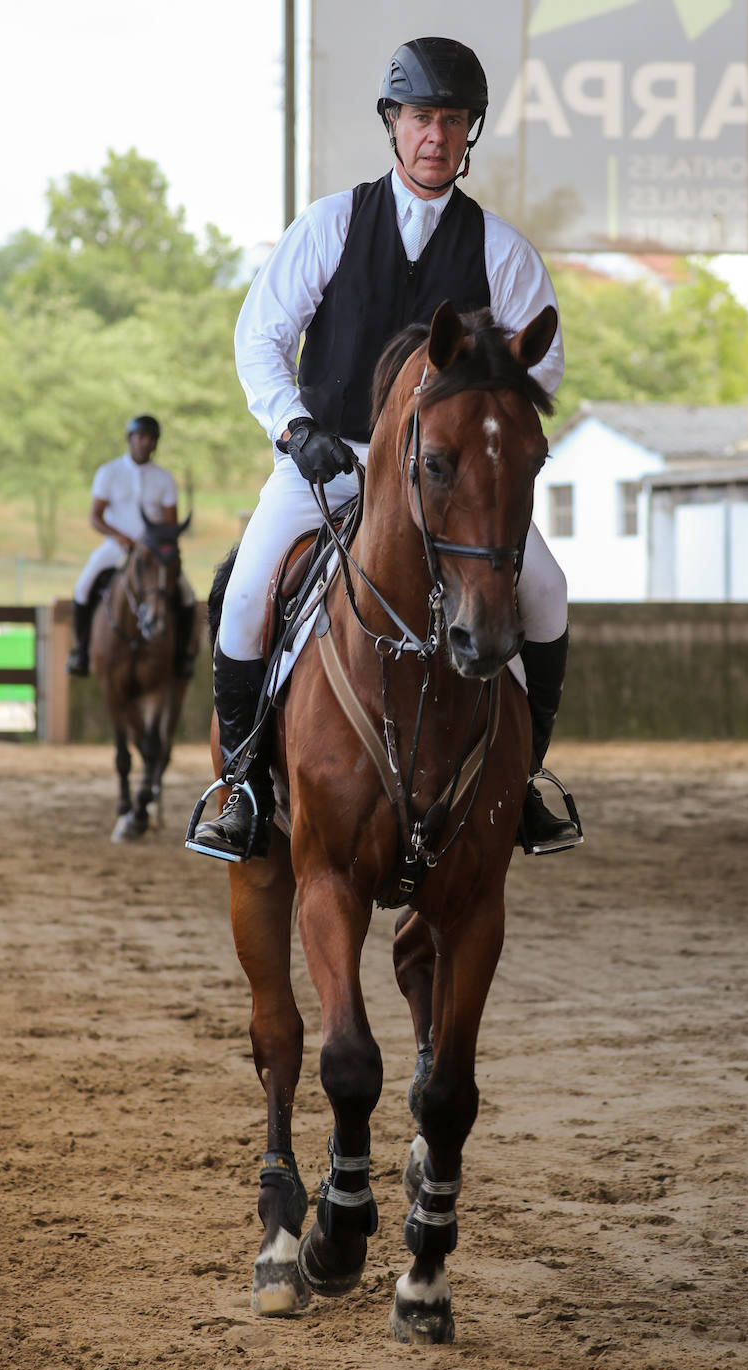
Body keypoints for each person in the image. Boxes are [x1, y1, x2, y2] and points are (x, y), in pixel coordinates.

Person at [189, 35, 580, 861]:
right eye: (420, 118)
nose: (435, 135)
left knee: (544, 589)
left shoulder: (502, 251)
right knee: (250, 590)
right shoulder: (331, 223)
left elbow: (539, 363)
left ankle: (526, 784)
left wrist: (486, 432)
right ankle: (243, 786)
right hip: (331, 459)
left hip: (447, 481)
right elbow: (259, 338)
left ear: (470, 131)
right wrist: (296, 431)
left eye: (452, 119)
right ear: (392, 125)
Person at [66, 415, 196, 678]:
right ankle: (80, 652)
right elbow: (95, 517)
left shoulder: (164, 478)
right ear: (130, 439)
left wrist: (158, 544)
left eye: (151, 438)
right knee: (82, 588)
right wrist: (120, 537)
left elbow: (170, 525)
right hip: (118, 546)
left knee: (187, 594)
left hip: (153, 552)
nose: (146, 443)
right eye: (141, 437)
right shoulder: (109, 472)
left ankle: (182, 656)